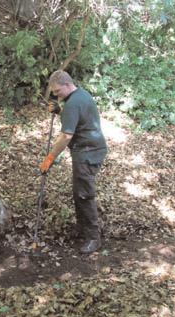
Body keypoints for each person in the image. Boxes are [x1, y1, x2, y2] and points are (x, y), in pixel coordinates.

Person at [40, 70, 108, 254]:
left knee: (84, 193)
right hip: (89, 149)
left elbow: (66, 136)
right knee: (79, 191)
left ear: (67, 85)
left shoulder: (73, 103)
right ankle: (82, 229)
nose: (56, 95)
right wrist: (60, 110)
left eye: (57, 91)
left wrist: (50, 157)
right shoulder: (80, 96)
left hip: (88, 153)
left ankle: (94, 238)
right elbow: (77, 118)